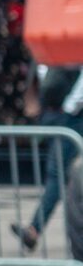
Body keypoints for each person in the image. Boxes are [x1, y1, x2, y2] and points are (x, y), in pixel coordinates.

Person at [13, 62, 83, 251]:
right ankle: (34, 229)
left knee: (57, 174)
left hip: (71, 117)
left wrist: (68, 108)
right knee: (60, 174)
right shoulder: (54, 47)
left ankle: (34, 229)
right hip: (62, 115)